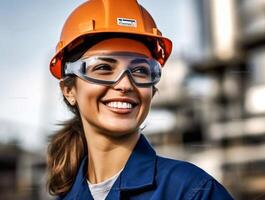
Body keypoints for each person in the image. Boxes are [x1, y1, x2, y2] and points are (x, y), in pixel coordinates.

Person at [47, 0, 234, 199]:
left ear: (152, 90)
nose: (125, 84)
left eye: (140, 71)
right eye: (103, 68)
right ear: (69, 90)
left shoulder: (192, 192)